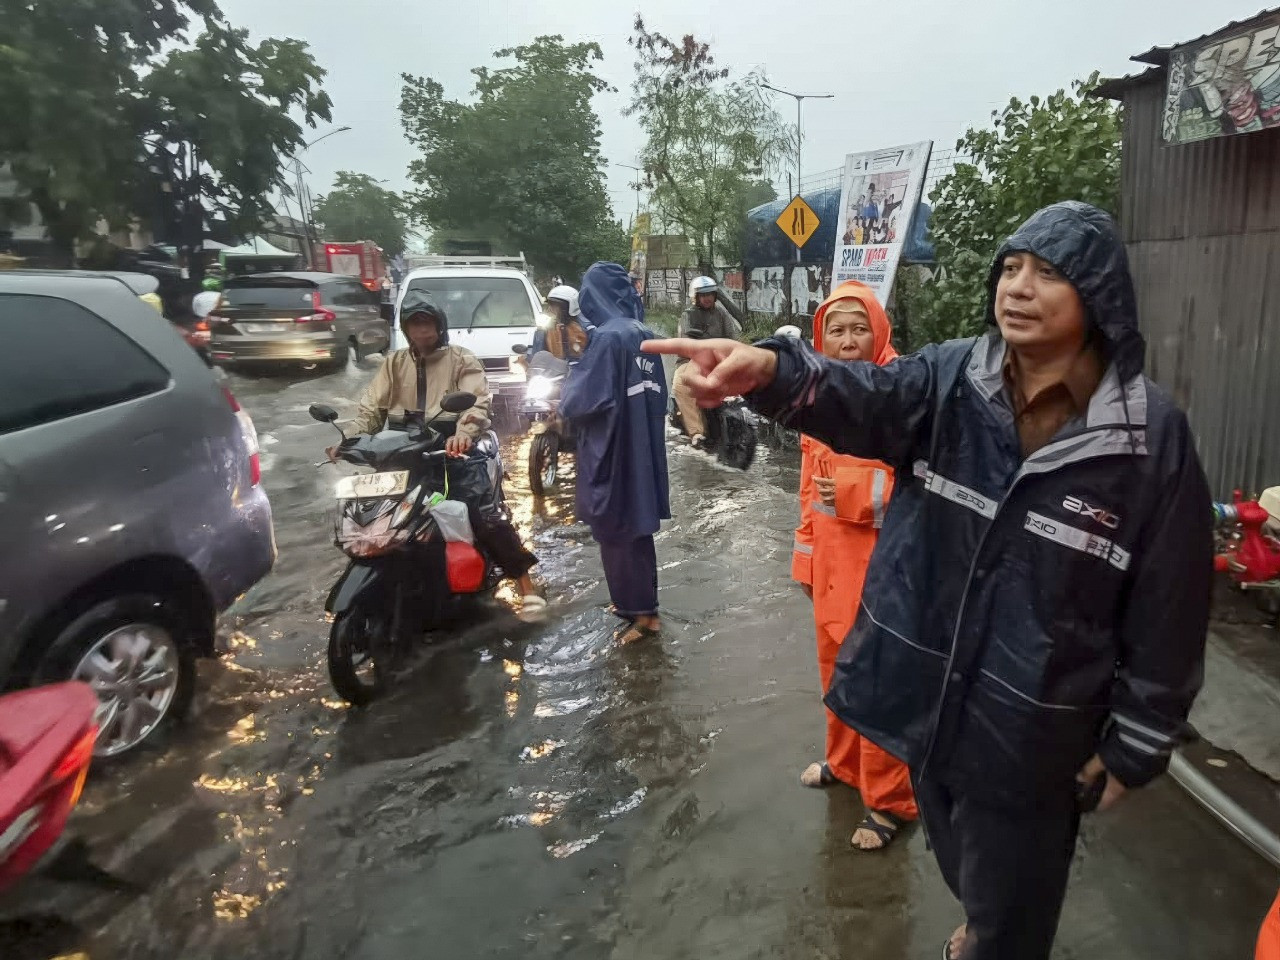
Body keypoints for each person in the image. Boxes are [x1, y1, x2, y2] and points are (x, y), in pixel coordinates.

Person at [643, 201, 1212, 960]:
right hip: (927, 706)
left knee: (1016, 905)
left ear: (1099, 296)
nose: (1018, 286)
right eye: (1010, 267)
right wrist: (773, 373)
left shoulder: (1147, 438)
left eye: (1048, 273)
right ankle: (980, 918)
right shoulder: (949, 379)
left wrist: (1139, 740)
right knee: (960, 861)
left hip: (1035, 733)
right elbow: (862, 396)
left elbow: (1171, 603)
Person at [793, 281, 917, 851]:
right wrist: (804, 558)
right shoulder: (818, 397)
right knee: (834, 670)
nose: (846, 341)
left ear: (879, 333)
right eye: (836, 331)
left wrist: (848, 491)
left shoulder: (905, 397)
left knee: (879, 682)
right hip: (831, 566)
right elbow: (805, 492)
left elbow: (921, 487)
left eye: (858, 329)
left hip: (883, 568)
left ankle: (892, 801)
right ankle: (844, 764)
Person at [337, 289, 544, 617]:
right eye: (414, 325)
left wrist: (463, 434)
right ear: (405, 330)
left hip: (449, 451)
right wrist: (348, 440)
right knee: (369, 515)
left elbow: (476, 400)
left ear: (439, 326)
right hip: (400, 451)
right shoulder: (394, 362)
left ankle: (525, 585)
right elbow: (370, 407)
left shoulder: (461, 358)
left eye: (427, 324)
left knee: (483, 514)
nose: (421, 331)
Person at [560, 262, 670, 645]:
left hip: (613, 451)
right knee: (636, 530)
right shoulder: (641, 332)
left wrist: (575, 364)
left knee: (616, 530)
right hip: (641, 448)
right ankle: (636, 605)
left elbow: (579, 402)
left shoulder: (606, 338)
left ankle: (642, 617)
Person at [672, 276, 742, 450]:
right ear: (695, 297)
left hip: (718, 359)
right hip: (691, 360)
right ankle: (696, 433)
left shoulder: (721, 312)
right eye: (703, 295)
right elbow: (687, 339)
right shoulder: (688, 315)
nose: (707, 298)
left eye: (710, 294)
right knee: (681, 385)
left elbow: (733, 335)